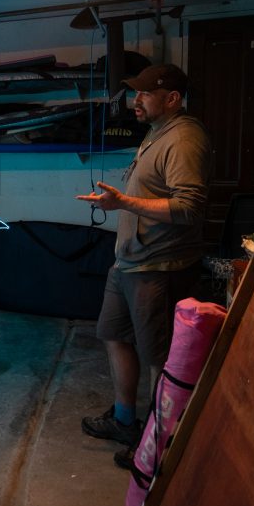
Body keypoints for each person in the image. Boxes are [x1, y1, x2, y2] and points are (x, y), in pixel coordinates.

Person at [75, 64, 211, 468]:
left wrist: (124, 204)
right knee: (113, 335)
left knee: (159, 357)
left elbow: (189, 208)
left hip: (159, 266)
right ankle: (124, 420)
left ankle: (155, 444)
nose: (136, 100)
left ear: (172, 98)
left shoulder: (186, 138)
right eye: (135, 93)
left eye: (145, 94)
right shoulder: (157, 132)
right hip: (129, 263)